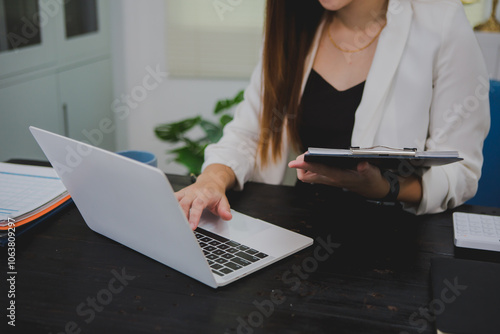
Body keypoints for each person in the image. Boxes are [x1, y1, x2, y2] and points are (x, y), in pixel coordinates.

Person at [175, 0, 490, 230]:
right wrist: (211, 180)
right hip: (300, 231)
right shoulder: (295, 22)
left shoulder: (441, 21)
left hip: (399, 241)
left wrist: (385, 187)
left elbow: (461, 173)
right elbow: (250, 134)